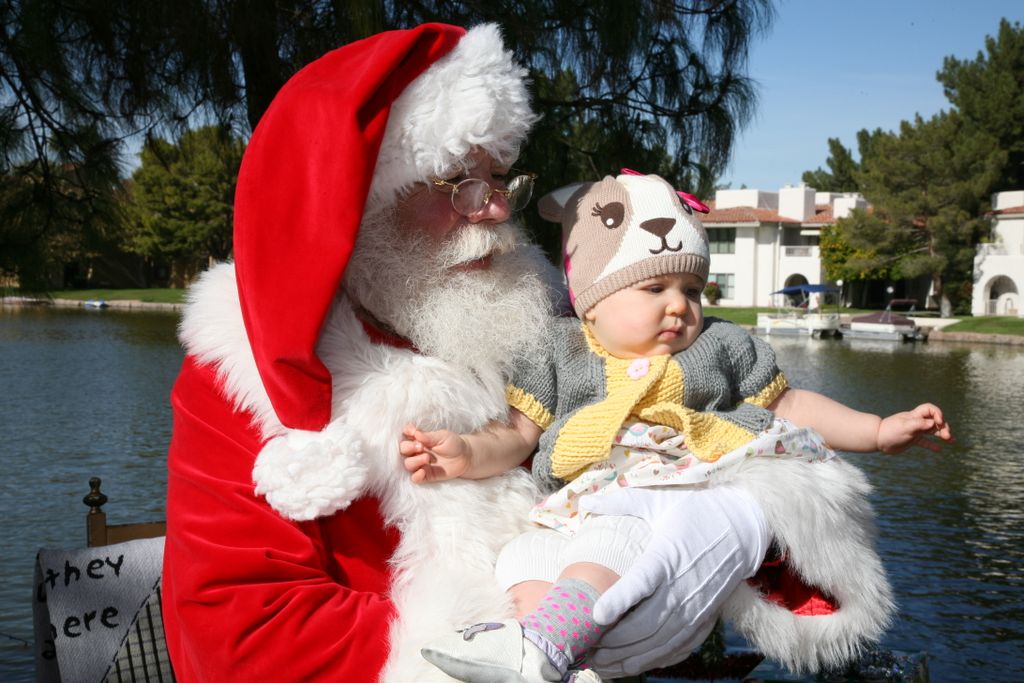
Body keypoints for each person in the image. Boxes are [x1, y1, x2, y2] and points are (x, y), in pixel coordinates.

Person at [162, 24, 742, 682]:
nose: (494, 210)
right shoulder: (240, 370)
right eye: (454, 183)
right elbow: (242, 630)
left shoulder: (553, 326)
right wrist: (488, 657)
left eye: (497, 179)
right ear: (356, 206)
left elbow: (702, 432)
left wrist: (715, 548)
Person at [402, 173, 954, 682]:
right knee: (525, 556)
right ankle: (540, 654)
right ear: (590, 302)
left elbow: (790, 404)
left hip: (667, 502)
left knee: (619, 533)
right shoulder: (560, 353)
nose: (679, 306)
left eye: (691, 290)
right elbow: (520, 434)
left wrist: (878, 430)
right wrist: (465, 453)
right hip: (576, 508)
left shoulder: (719, 347)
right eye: (654, 289)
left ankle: (545, 643)